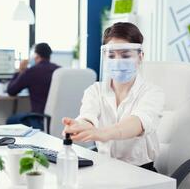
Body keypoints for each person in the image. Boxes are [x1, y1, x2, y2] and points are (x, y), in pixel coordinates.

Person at [62, 22, 165, 172]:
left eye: (125, 55)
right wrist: (81, 125)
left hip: (141, 172)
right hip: (105, 168)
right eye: (111, 55)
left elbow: (138, 123)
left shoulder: (153, 93)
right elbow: (88, 116)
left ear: (140, 56)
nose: (117, 61)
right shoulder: (95, 90)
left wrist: (102, 133)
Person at [6, 43, 60, 130]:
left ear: (36, 55)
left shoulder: (31, 72)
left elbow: (11, 91)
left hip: (39, 118)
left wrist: (20, 71)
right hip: (59, 119)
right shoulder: (59, 70)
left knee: (11, 120)